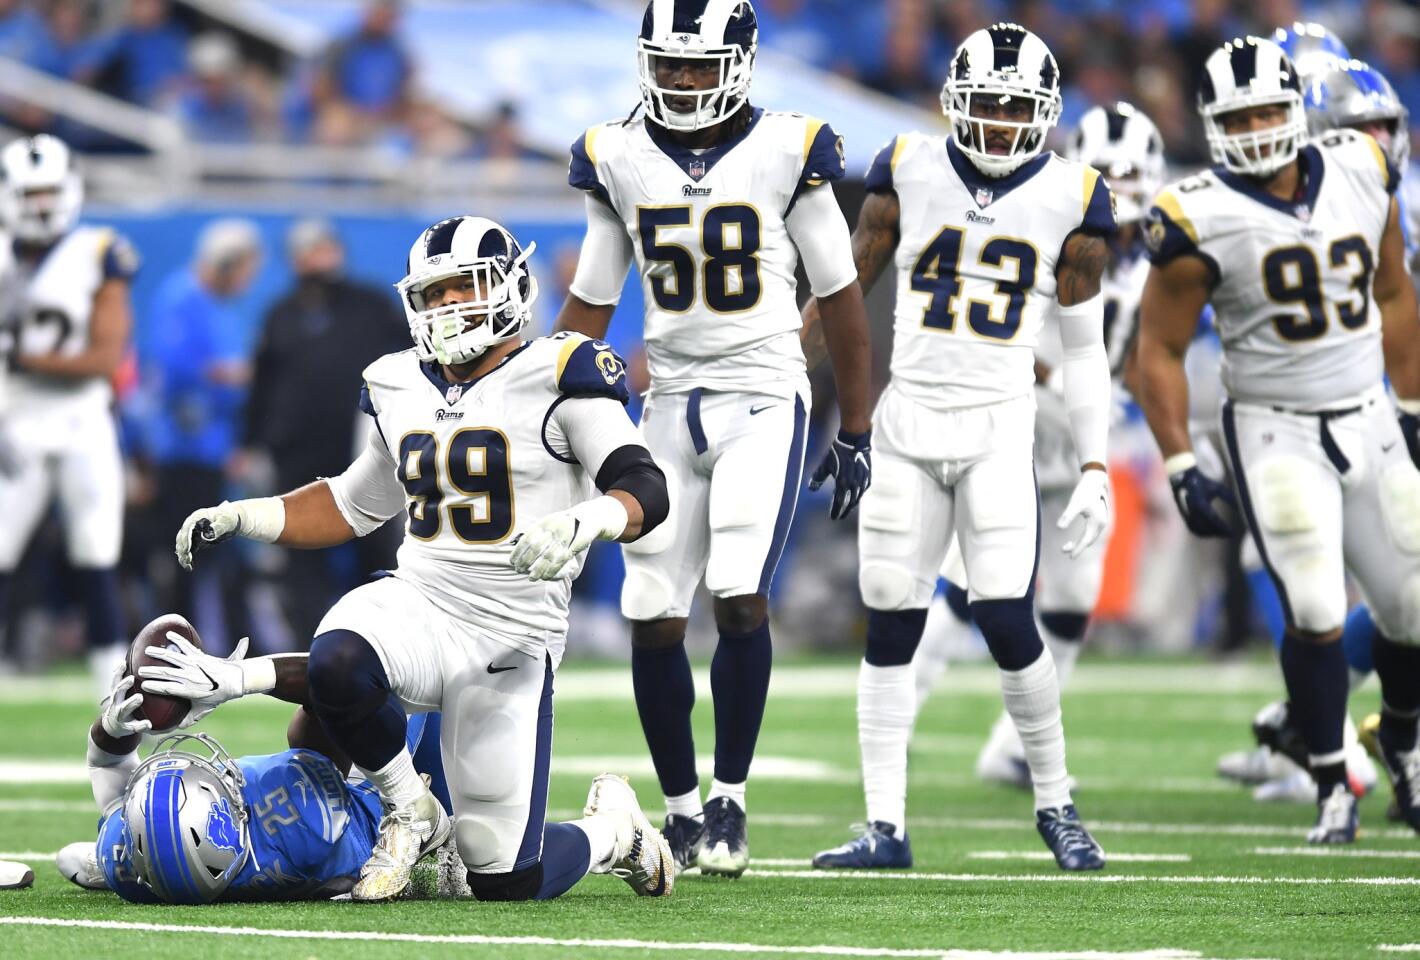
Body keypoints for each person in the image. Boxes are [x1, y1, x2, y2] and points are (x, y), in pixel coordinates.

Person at [170, 215, 676, 902]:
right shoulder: (396, 380)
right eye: (433, 294)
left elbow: (646, 484)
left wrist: (589, 519)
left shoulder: (561, 371)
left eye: (462, 288)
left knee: (503, 878)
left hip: (512, 632)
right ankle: (410, 809)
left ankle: (614, 833)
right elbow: (356, 502)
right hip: (423, 599)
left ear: (508, 288)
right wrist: (246, 516)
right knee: (338, 657)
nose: (447, 308)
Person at [556, 0, 873, 879]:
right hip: (667, 401)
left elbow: (840, 292)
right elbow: (589, 303)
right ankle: (683, 808)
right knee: (650, 611)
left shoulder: (787, 149)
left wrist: (857, 422)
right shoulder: (615, 155)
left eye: (700, 66)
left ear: (738, 63)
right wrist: (541, 403)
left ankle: (731, 796)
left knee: (737, 590)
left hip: (765, 396)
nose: (685, 81)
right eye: (671, 64)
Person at [805, 22, 1113, 872]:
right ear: (954, 102)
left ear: (1046, 111)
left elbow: (1084, 354)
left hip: (998, 429)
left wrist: (1094, 464)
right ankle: (884, 825)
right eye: (987, 106)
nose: (1004, 124)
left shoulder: (1075, 194)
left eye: (1019, 108)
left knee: (1007, 616)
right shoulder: (907, 164)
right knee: (889, 614)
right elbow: (845, 286)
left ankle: (1056, 802)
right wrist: (791, 376)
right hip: (907, 426)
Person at [1136, 36, 1420, 842]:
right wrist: (1182, 462)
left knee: (1411, 607)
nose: (1258, 127)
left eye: (1268, 110)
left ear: (1298, 108)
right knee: (1318, 607)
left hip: (1367, 412)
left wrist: (1412, 403)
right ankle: (1331, 776)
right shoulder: (1194, 213)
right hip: (1273, 427)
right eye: (1239, 116)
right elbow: (1155, 349)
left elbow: (1395, 292)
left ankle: (1398, 734)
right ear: (1210, 123)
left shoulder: (1363, 168)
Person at [910, 101, 1166, 790]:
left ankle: (1013, 746)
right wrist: (1057, 381)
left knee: (1075, 597)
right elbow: (1008, 327)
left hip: (1081, 441)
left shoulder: (1151, 261)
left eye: (1133, 171)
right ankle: (896, 714)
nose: (1122, 181)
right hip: (1019, 425)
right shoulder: (1051, 226)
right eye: (1108, 170)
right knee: (972, 581)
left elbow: (1138, 354)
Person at [60, 651, 460, 904]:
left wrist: (112, 729)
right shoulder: (300, 818)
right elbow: (332, 685)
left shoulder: (131, 865)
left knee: (70, 859)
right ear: (230, 819)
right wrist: (239, 678)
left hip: (315, 828)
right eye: (210, 777)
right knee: (408, 667)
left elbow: (108, 765)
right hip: (368, 807)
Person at [0, 135, 137, 690]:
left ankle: (112, 681)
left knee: (96, 549)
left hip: (81, 421)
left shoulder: (99, 250)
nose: (40, 206)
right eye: (30, 194)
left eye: (49, 193)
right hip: (14, 422)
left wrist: (20, 355)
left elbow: (105, 357)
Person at [242, 218, 408, 643]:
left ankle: (388, 638)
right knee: (299, 550)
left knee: (377, 546)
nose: (318, 259)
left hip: (364, 449)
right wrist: (250, 443)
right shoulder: (280, 314)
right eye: (308, 251)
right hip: (297, 453)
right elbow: (263, 385)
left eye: (324, 248)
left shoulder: (371, 305)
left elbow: (411, 366)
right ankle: (311, 645)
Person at [141, 217, 261, 648]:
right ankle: (173, 644)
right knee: (185, 558)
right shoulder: (181, 298)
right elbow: (174, 374)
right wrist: (233, 376)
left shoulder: (219, 306)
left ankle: (225, 642)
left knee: (224, 558)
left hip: (214, 452)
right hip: (186, 453)